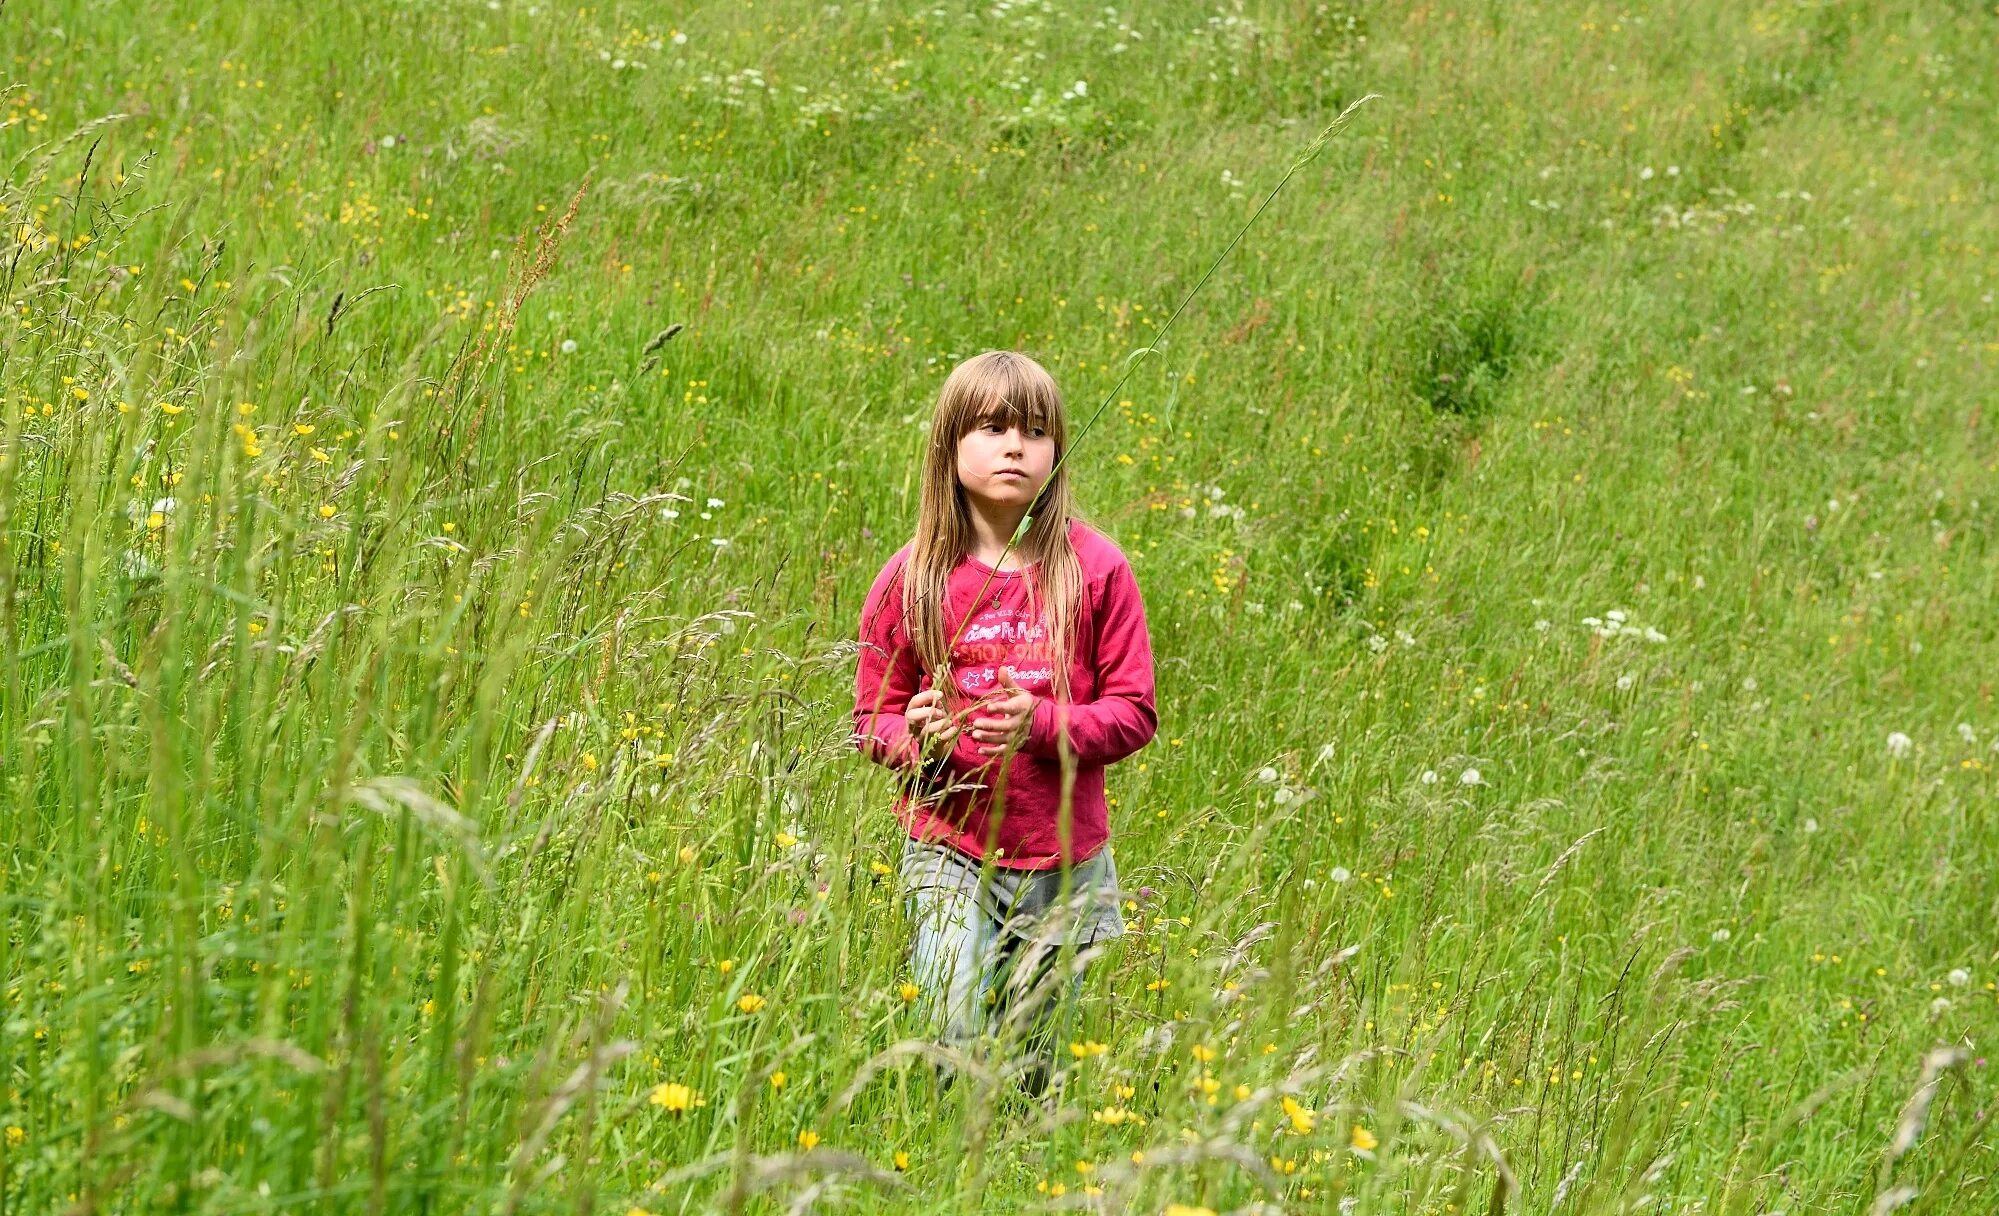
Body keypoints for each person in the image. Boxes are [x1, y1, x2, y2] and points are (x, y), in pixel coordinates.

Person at [852, 349, 1158, 1099]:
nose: (1015, 445)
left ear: (1057, 447)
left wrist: (1045, 723)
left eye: (1034, 429)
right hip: (947, 846)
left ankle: (1018, 1164)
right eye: (991, 428)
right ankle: (948, 1152)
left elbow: (1134, 711)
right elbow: (871, 717)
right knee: (954, 1026)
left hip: (1063, 857)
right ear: (948, 448)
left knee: (1038, 1059)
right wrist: (909, 737)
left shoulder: (1095, 567)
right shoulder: (912, 575)